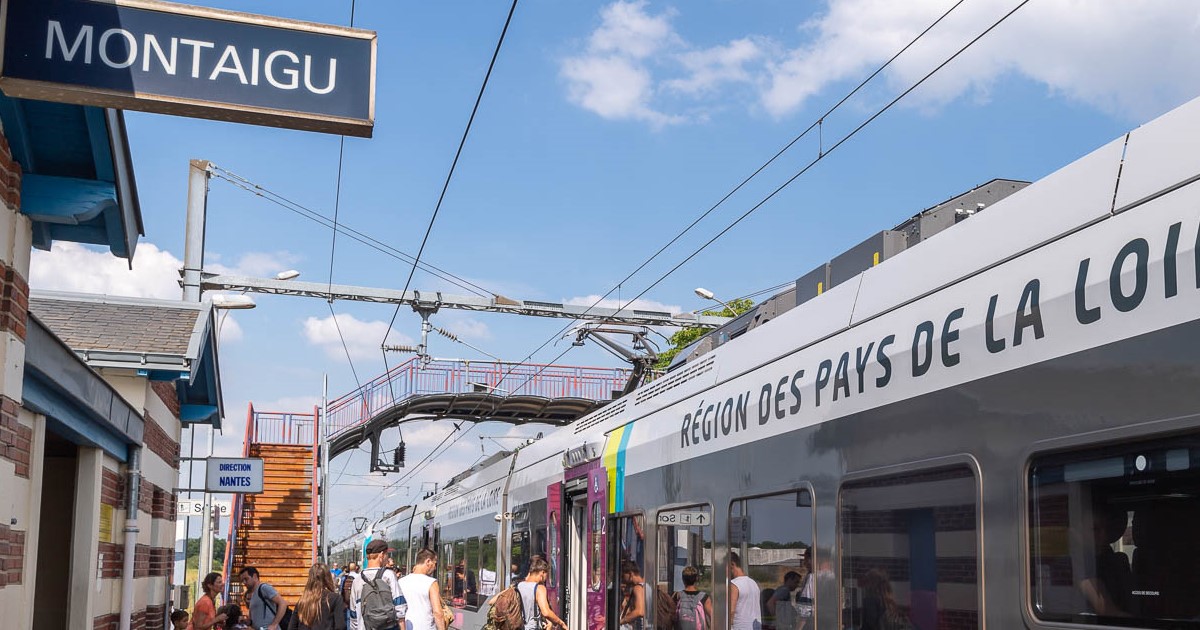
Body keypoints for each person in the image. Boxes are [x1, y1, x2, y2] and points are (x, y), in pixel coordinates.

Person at [352, 540, 406, 630]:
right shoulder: (388, 575)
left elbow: (353, 614)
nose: (387, 558)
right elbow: (399, 606)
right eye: (387, 555)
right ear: (381, 554)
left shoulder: (357, 580)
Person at [397, 548, 447, 630]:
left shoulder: (400, 581)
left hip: (406, 626)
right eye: (434, 563)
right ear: (428, 561)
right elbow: (437, 613)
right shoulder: (431, 583)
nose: (434, 568)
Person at [289, 563, 346, 630]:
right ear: (328, 578)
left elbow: (292, 627)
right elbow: (340, 626)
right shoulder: (335, 598)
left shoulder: (303, 600)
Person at [517, 557, 568, 630]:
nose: (546, 579)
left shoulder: (519, 585)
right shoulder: (539, 588)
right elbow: (546, 612)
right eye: (546, 575)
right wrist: (561, 623)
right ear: (542, 573)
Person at [241, 566, 290, 630]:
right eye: (242, 580)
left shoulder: (264, 588)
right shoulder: (252, 595)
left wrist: (274, 624)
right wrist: (248, 622)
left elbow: (283, 603)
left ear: (255, 576)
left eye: (246, 579)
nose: (244, 582)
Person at [673, 565, 712, 630]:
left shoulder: (677, 596)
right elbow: (712, 617)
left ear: (683, 579)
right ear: (696, 579)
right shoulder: (704, 597)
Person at [728, 552, 761, 630]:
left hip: (739, 627)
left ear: (732, 564)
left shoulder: (734, 584)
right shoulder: (753, 583)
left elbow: (731, 610)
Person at [619, 560, 646, 630]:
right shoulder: (646, 586)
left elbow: (639, 611)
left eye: (623, 576)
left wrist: (621, 621)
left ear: (630, 574)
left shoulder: (637, 588)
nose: (622, 579)